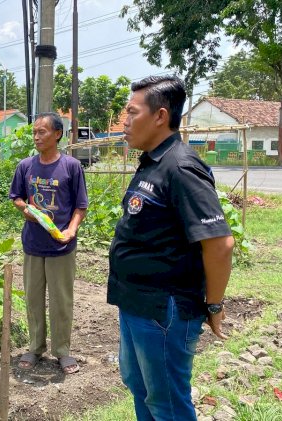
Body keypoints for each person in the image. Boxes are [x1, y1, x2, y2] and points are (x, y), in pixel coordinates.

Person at [107, 75, 235, 421]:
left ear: (160, 116)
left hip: (165, 310)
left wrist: (214, 303)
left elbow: (220, 243)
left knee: (168, 404)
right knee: (141, 387)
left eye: (132, 113)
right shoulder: (153, 161)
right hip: (136, 303)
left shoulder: (181, 167)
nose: (125, 121)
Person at [9, 112, 88, 374]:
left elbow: (80, 206)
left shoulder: (71, 167)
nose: (36, 136)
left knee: (61, 300)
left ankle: (63, 351)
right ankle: (34, 348)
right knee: (33, 299)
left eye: (42, 131)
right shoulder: (25, 166)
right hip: (33, 244)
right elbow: (17, 197)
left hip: (61, 246)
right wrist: (25, 209)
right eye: (34, 132)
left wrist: (71, 231)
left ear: (57, 134)